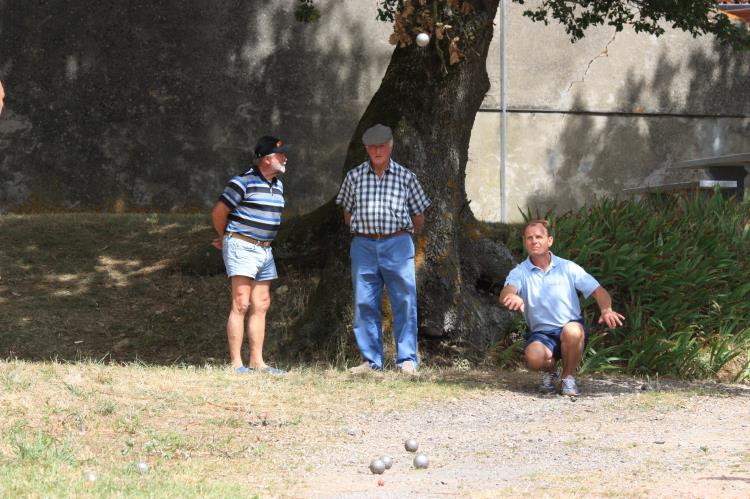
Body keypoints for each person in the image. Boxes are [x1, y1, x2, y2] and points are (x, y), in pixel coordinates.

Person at [335, 124, 431, 375]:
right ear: (366, 149)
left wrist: (399, 235)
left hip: (397, 243)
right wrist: (365, 229)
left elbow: (418, 216)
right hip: (363, 245)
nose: (377, 150)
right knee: (365, 302)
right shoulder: (354, 177)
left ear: (391, 146)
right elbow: (346, 211)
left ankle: (407, 359)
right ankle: (371, 361)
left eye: (382, 146)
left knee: (404, 300)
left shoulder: (406, 177)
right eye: (372, 147)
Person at [499, 219, 624, 395]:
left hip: (570, 328)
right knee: (533, 358)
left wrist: (606, 309)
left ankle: (567, 377)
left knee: (572, 331)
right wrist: (511, 296)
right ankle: (551, 373)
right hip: (541, 334)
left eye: (538, 236)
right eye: (529, 238)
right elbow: (507, 291)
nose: (534, 241)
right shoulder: (519, 271)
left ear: (549, 240)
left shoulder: (568, 267)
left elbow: (598, 291)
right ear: (525, 242)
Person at [211, 136, 289, 374]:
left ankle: (257, 361)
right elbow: (219, 212)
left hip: (265, 249)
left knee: (262, 303)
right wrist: (226, 236)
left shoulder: (277, 184)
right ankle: (236, 364)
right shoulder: (242, 182)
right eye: (280, 155)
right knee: (241, 302)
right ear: (267, 159)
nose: (285, 158)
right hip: (243, 246)